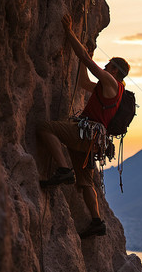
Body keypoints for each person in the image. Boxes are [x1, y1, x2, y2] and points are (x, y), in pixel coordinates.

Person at [37, 14, 130, 239]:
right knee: (86, 181)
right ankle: (97, 222)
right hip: (92, 140)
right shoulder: (109, 88)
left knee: (44, 127)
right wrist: (81, 58)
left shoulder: (111, 82)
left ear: (114, 70)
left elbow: (89, 64)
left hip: (87, 133)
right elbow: (83, 83)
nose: (105, 66)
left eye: (108, 65)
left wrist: (70, 34)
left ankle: (63, 169)